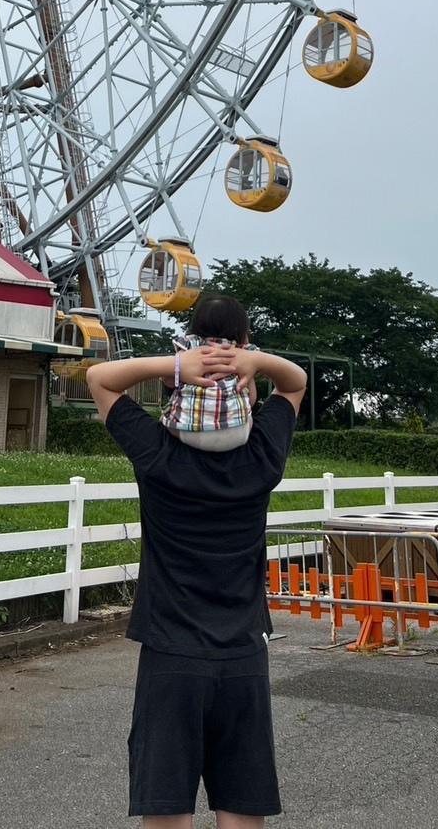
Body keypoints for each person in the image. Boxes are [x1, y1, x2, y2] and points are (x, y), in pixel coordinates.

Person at [87, 295, 307, 829]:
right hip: (242, 657)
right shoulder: (261, 458)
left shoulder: (158, 455)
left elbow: (100, 378)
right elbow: (295, 382)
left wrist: (176, 366)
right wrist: (254, 362)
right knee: (241, 813)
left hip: (170, 655)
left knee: (167, 813)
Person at [162, 296, 260, 451]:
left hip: (186, 431)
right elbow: (252, 399)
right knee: (248, 416)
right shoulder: (243, 353)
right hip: (237, 434)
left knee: (166, 416)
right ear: (241, 328)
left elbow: (169, 381)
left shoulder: (189, 346)